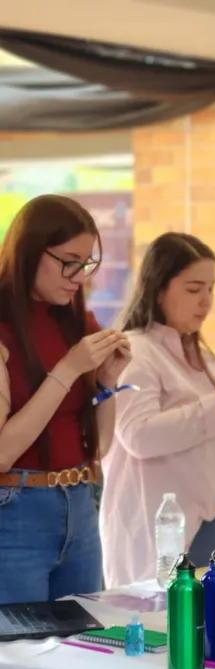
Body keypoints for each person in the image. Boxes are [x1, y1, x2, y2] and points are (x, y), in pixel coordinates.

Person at [99, 232, 215, 587]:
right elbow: (138, 435)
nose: (206, 301)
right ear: (159, 288)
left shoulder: (203, 356)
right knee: (175, 633)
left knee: (214, 632)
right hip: (168, 531)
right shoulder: (135, 353)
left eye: (211, 288)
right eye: (194, 289)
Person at [0, 194, 131, 604]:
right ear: (30, 250)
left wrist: (107, 383)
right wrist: (70, 369)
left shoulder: (77, 318)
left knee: (84, 648)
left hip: (81, 500)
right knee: (20, 655)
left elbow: (101, 445)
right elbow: (2, 452)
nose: (79, 276)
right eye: (69, 261)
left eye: (88, 262)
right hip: (17, 508)